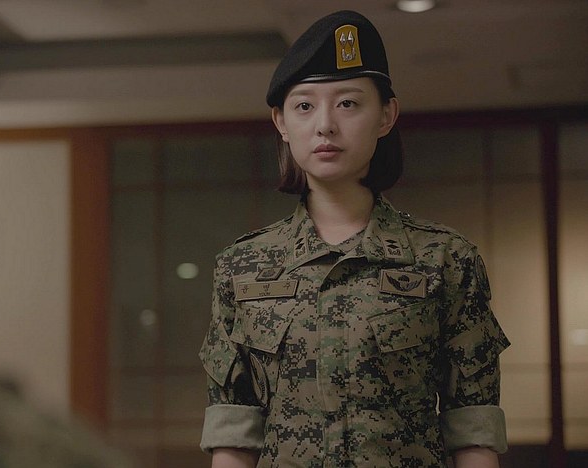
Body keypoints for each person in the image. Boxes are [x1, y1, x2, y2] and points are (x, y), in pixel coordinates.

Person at [198, 10, 510, 468]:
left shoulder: (444, 258)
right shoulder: (242, 267)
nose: (325, 125)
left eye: (347, 103)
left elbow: (473, 429)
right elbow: (233, 433)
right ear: (281, 122)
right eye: (304, 106)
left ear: (386, 115)